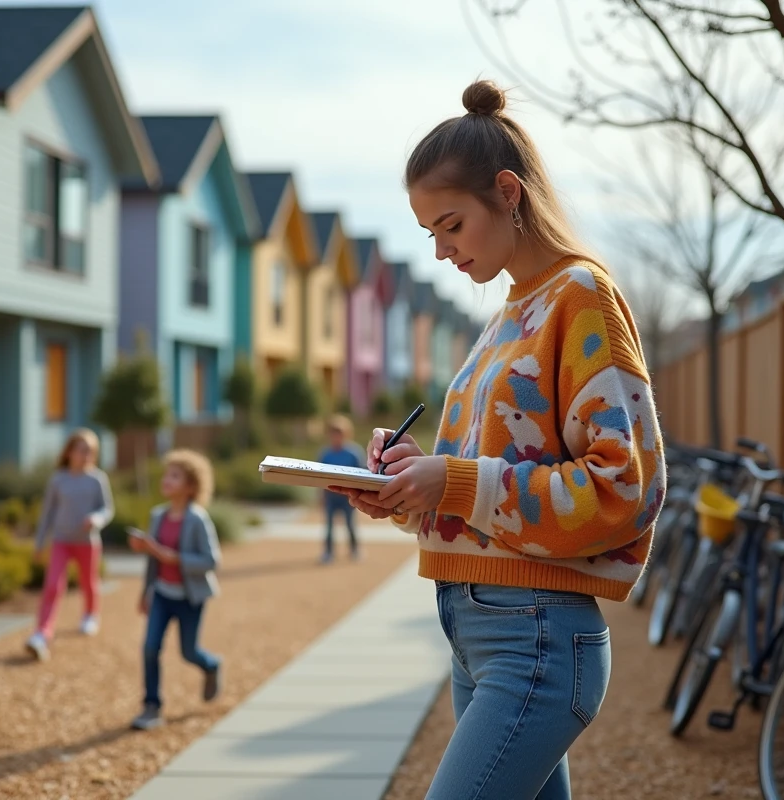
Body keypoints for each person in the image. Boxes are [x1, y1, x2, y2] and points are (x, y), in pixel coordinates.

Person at [331, 80, 666, 800]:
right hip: (478, 633)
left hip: (535, 640)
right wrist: (403, 485)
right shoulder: (509, 314)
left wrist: (449, 480)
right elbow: (474, 485)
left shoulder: (581, 298)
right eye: (431, 234)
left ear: (507, 193)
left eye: (451, 225)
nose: (443, 250)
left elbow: (623, 488)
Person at [128, 449, 223, 731]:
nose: (167, 479)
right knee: (149, 647)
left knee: (188, 652)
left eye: (175, 476)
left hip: (189, 599)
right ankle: (151, 706)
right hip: (161, 594)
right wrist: (145, 590)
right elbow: (152, 559)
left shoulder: (197, 519)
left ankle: (211, 665)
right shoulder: (158, 516)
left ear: (191, 485)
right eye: (167, 474)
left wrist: (175, 558)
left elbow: (211, 561)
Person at [27, 428, 115, 661]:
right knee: (53, 586)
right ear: (70, 452)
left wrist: (97, 519)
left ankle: (90, 615)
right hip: (61, 541)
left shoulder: (97, 478)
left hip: (87, 542)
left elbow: (107, 509)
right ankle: (42, 633)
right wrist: (39, 543)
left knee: (89, 582)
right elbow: (47, 513)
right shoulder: (58, 479)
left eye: (91, 451)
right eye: (82, 450)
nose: (86, 455)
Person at [316, 415, 366, 564]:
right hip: (331, 496)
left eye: (339, 433)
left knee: (350, 525)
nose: (336, 436)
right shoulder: (326, 454)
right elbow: (319, 475)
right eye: (333, 433)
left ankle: (355, 549)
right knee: (329, 526)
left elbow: (362, 473)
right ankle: (328, 552)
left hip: (348, 497)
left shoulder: (354, 453)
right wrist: (320, 495)